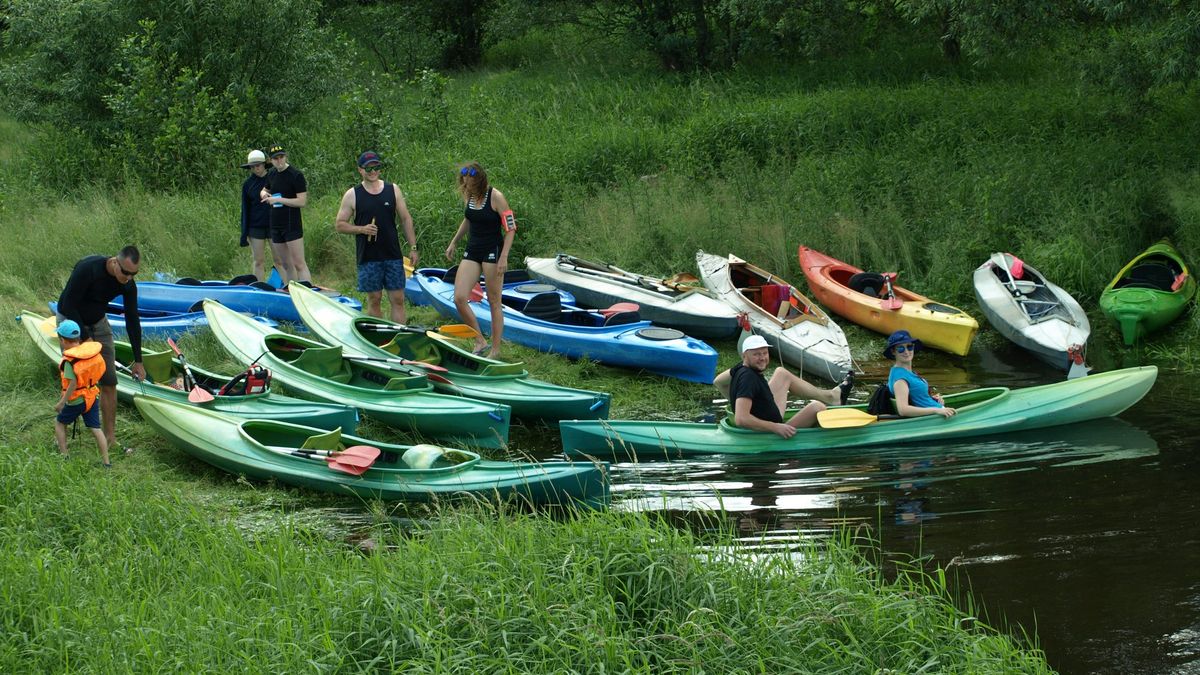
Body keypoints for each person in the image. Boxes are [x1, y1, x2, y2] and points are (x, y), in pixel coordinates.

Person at [56, 246, 146, 455]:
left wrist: (138, 360)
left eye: (134, 274)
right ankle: (62, 437)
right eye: (125, 272)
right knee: (76, 382)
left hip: (98, 322)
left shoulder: (128, 284)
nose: (128, 277)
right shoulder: (89, 269)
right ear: (115, 262)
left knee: (109, 381)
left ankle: (110, 439)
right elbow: (68, 304)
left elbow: (132, 319)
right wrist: (86, 342)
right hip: (71, 323)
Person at [334, 151, 419, 322]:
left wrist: (413, 247)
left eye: (376, 167)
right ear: (360, 170)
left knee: (398, 299)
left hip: (393, 255)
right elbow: (340, 225)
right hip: (368, 257)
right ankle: (377, 340)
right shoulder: (352, 194)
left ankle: (398, 337)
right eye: (368, 168)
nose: (373, 171)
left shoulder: (392, 189)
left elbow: (405, 218)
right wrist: (362, 229)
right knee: (374, 300)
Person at [443, 161, 516, 357]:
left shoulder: (496, 196)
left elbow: (511, 228)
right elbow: (469, 219)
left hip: (493, 251)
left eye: (471, 182)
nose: (467, 185)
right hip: (473, 250)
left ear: (480, 180)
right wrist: (454, 242)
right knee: (459, 298)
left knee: (494, 301)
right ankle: (479, 340)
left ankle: (495, 349)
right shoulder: (469, 195)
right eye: (465, 182)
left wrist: (504, 257)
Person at [716, 335, 853, 438]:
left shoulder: (740, 367)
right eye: (756, 354)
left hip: (766, 413)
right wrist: (776, 427)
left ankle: (832, 397)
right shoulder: (748, 379)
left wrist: (736, 400)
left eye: (764, 353)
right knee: (818, 407)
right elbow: (741, 419)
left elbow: (718, 382)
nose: (762, 358)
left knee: (782, 373)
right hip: (770, 428)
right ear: (745, 355)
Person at [52, 320, 110, 466]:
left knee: (59, 422)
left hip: (76, 400)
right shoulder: (91, 353)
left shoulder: (69, 361)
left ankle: (64, 456)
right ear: (78, 338)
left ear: (62, 340)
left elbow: (73, 384)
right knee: (96, 428)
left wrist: (61, 403)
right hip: (92, 396)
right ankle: (106, 462)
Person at [259, 145, 312, 285]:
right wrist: (264, 194)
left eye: (281, 157)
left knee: (299, 263)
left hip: (292, 223)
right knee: (285, 264)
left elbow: (302, 201)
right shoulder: (271, 174)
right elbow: (264, 190)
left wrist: (278, 199)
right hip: (275, 223)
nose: (279, 161)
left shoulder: (296, 175)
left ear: (285, 156)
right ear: (271, 160)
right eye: (275, 158)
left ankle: (308, 292)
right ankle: (291, 291)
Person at [884, 330, 956, 418]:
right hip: (934, 418)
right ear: (893, 352)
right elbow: (903, 410)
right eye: (900, 348)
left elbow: (913, 395)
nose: (906, 352)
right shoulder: (900, 379)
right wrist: (936, 410)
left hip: (939, 411)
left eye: (909, 347)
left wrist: (930, 398)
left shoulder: (905, 372)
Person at [239, 149, 278, 281]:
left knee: (279, 259)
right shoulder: (248, 185)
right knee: (258, 261)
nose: (256, 168)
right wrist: (244, 233)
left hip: (274, 224)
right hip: (255, 227)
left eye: (258, 165)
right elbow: (245, 209)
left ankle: (287, 287)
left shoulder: (274, 179)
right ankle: (258, 288)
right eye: (253, 166)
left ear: (264, 164)